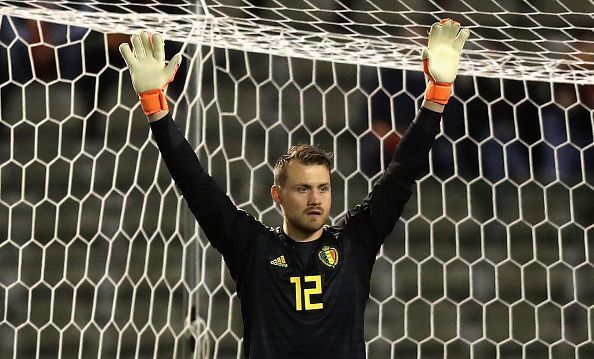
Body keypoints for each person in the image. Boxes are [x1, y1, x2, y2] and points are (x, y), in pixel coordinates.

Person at [119, 19, 469, 359]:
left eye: (323, 188)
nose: (316, 199)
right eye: (303, 188)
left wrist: (437, 95)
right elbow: (196, 185)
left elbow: (401, 172)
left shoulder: (355, 241)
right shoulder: (252, 247)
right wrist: (154, 106)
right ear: (278, 195)